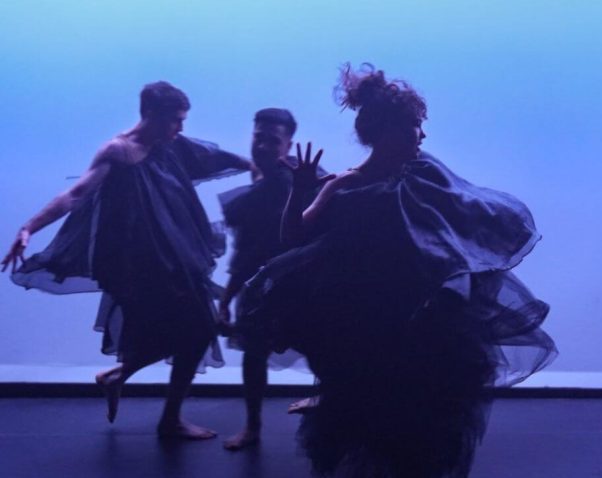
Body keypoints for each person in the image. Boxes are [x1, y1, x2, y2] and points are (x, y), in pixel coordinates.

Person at [241, 64, 555, 477]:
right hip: (364, 319)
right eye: (414, 126)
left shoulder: (425, 173)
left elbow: (463, 221)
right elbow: (296, 237)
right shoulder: (343, 184)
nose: (422, 135)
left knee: (422, 423)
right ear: (386, 131)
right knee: (369, 416)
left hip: (423, 320)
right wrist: (301, 189)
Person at [2, 81, 252, 439]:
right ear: (150, 114)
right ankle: (164, 416)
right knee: (194, 329)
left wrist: (255, 164)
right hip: (141, 264)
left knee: (191, 330)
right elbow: (75, 193)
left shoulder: (169, 144)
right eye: (175, 120)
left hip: (175, 256)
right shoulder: (118, 151)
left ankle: (122, 381)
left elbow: (213, 157)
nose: (180, 128)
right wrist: (29, 226)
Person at [216, 107, 324, 450]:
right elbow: (246, 249)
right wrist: (226, 298)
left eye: (272, 140)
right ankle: (252, 427)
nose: (262, 145)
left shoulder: (298, 177)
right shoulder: (262, 182)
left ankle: (329, 405)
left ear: (288, 143)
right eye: (258, 137)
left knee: (322, 347)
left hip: (298, 282)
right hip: (261, 284)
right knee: (254, 353)